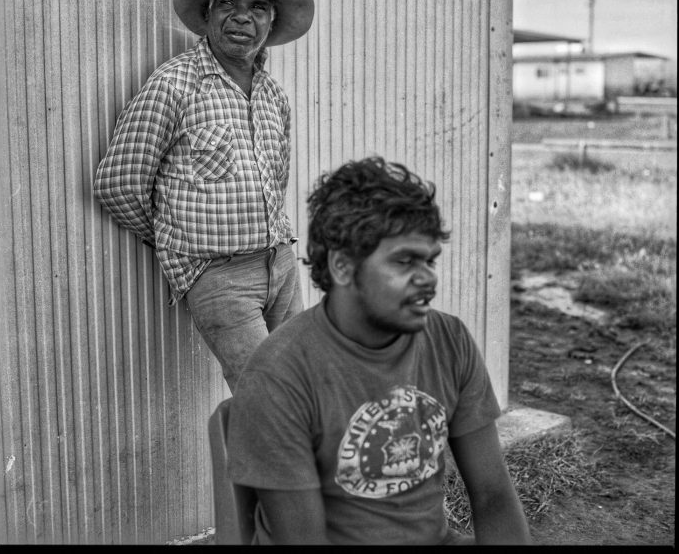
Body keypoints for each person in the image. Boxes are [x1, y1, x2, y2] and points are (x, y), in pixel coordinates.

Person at [226, 156, 533, 545]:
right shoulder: (278, 378)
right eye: (405, 261)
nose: (428, 279)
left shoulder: (448, 340)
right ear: (342, 266)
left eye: (430, 261)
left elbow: (493, 497)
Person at [93, 0, 314, 390]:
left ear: (270, 23)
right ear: (209, 14)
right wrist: (180, 242)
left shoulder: (273, 95)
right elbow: (117, 184)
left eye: (257, 7)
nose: (241, 17)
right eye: (228, 3)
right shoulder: (174, 84)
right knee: (268, 401)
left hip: (281, 263)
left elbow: (277, 178)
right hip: (220, 277)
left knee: (309, 386)